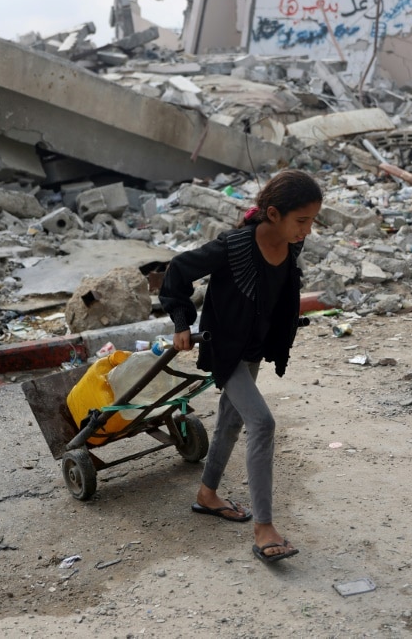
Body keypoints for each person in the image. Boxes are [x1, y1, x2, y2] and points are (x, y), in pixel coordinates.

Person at [159, 169, 323, 564]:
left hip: (254, 348)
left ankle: (207, 495)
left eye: (312, 222)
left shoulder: (289, 246)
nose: (307, 231)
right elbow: (178, 271)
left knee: (231, 422)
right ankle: (264, 527)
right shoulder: (234, 246)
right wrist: (182, 323)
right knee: (262, 423)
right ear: (272, 214)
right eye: (302, 221)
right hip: (224, 348)